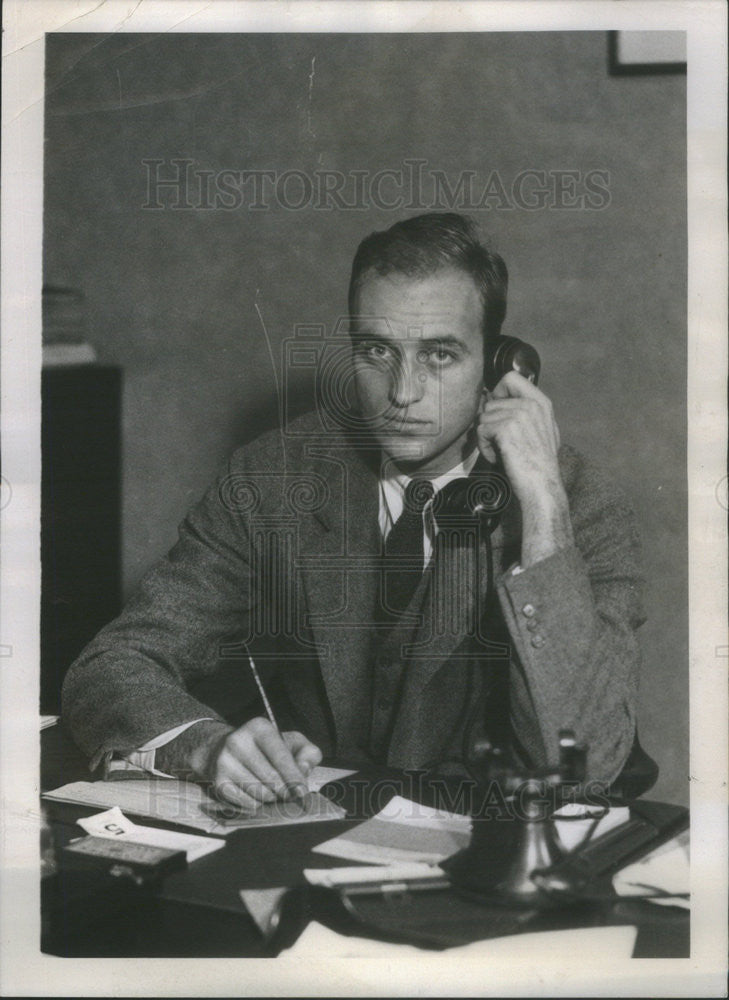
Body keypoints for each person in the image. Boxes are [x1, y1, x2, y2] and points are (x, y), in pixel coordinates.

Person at [62, 212, 647, 811]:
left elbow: (582, 767)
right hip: (309, 840)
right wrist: (205, 746)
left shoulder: (581, 507)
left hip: (488, 854)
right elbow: (111, 666)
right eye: (377, 351)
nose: (402, 393)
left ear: (499, 367)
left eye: (440, 356)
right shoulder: (273, 478)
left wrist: (543, 508)